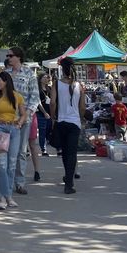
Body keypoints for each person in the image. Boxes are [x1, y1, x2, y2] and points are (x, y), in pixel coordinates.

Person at [0, 71, 27, 210]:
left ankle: (6, 196)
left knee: (12, 164)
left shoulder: (17, 96)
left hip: (13, 129)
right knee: (1, 165)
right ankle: (3, 196)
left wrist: (19, 123)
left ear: (6, 81)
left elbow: (24, 113)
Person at [6, 48, 39, 195]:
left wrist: (27, 115)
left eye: (10, 55)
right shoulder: (5, 74)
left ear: (18, 57)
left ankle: (20, 183)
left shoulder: (29, 73)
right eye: (7, 55)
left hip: (23, 119)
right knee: (6, 151)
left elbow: (35, 97)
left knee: (20, 151)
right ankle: (6, 181)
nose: (8, 57)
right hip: (6, 119)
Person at [51, 57, 85, 194]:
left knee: (65, 152)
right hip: (74, 122)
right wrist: (80, 118)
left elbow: (52, 102)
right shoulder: (79, 85)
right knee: (72, 152)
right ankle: (69, 183)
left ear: (61, 69)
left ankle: (68, 176)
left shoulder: (56, 84)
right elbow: (82, 106)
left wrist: (53, 116)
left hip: (61, 121)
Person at [36, 74, 53, 156]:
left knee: (49, 130)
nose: (47, 79)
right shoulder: (37, 90)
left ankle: (51, 144)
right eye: (44, 77)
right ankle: (43, 149)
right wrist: (44, 112)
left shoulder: (49, 89)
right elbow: (38, 102)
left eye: (47, 77)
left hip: (50, 112)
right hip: (40, 113)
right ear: (40, 79)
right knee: (42, 130)